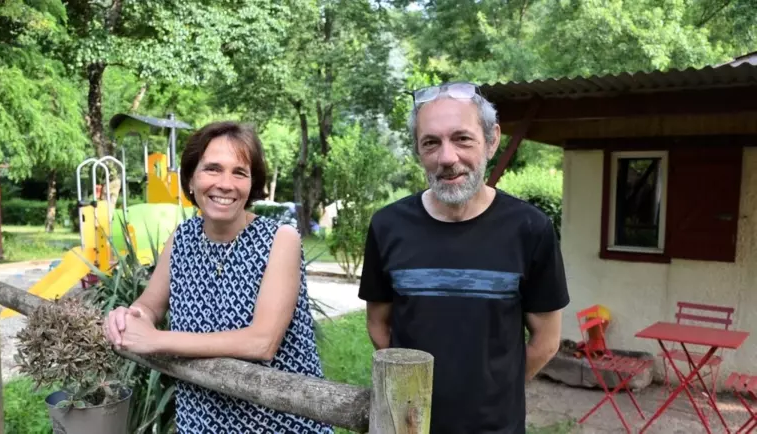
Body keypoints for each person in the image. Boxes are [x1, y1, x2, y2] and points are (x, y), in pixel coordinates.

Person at [358, 82, 569, 434]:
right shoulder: (387, 226)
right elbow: (379, 325)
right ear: (418, 150)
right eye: (431, 142)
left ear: (492, 140)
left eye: (462, 139)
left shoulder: (531, 229)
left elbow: (546, 341)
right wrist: (413, 391)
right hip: (409, 426)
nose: (447, 158)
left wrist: (494, 395)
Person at [104, 121, 333, 434]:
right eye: (212, 169)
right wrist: (129, 317)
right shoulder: (181, 239)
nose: (225, 184)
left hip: (279, 422)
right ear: (191, 178)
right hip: (201, 420)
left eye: (239, 172)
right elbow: (148, 306)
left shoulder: (280, 240)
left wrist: (156, 340)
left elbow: (262, 342)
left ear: (252, 184)